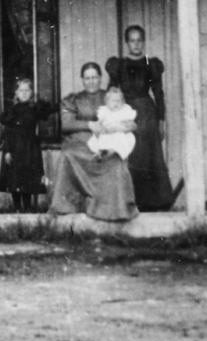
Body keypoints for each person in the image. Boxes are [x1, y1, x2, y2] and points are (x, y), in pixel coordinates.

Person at [50, 63, 139, 222]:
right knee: (67, 156)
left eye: (94, 77)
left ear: (100, 78)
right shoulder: (74, 100)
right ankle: (68, 206)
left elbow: (128, 119)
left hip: (105, 143)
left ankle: (115, 210)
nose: (91, 81)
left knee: (116, 161)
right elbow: (66, 124)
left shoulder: (110, 97)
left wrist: (128, 126)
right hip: (79, 146)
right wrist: (90, 125)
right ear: (82, 80)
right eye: (87, 78)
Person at [106, 25, 178, 211]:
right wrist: (111, 116)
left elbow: (159, 94)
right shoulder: (119, 65)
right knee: (132, 156)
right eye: (132, 40)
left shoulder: (150, 65)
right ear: (127, 43)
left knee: (150, 157)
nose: (136, 44)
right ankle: (132, 201)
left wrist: (161, 120)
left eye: (139, 40)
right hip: (126, 111)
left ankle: (154, 203)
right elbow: (111, 91)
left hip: (147, 113)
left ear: (144, 42)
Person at [0, 77, 51, 213]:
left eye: (27, 90)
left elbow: (47, 110)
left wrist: (39, 102)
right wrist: (7, 151)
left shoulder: (34, 108)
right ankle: (16, 207)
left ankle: (27, 207)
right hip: (15, 147)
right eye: (21, 90)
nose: (24, 93)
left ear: (32, 92)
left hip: (31, 147)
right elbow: (7, 133)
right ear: (16, 93)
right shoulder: (12, 110)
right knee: (15, 176)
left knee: (29, 177)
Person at [88, 86, 137, 160]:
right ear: (107, 102)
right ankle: (100, 152)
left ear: (123, 102)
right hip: (106, 132)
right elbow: (99, 123)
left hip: (120, 133)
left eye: (118, 101)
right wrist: (101, 128)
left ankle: (111, 151)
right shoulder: (104, 111)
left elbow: (129, 126)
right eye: (113, 101)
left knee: (120, 140)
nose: (116, 103)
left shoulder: (124, 112)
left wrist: (117, 129)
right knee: (101, 139)